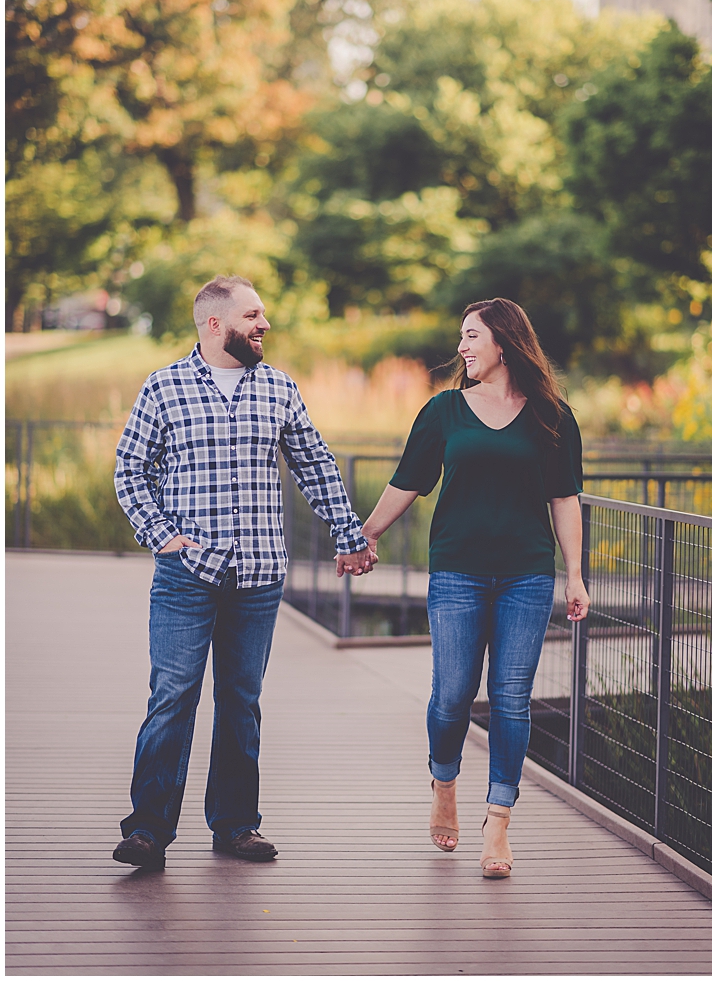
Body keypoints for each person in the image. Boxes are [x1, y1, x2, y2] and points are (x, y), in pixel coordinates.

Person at [110, 277, 373, 870]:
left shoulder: (279, 388)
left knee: (241, 700)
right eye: (253, 315)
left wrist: (350, 536)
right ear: (214, 324)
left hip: (258, 574)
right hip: (186, 573)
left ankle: (235, 825)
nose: (265, 324)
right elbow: (130, 471)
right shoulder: (164, 387)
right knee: (172, 697)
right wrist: (163, 538)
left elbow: (315, 465)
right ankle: (148, 831)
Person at [355, 298, 590, 880]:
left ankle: (499, 822)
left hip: (527, 576)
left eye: (470, 337)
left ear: (504, 343)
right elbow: (408, 481)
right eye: (462, 337)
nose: (460, 347)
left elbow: (565, 500)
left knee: (511, 697)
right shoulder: (443, 413)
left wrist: (576, 573)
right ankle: (444, 782)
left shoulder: (553, 416)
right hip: (457, 571)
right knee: (452, 693)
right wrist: (364, 536)